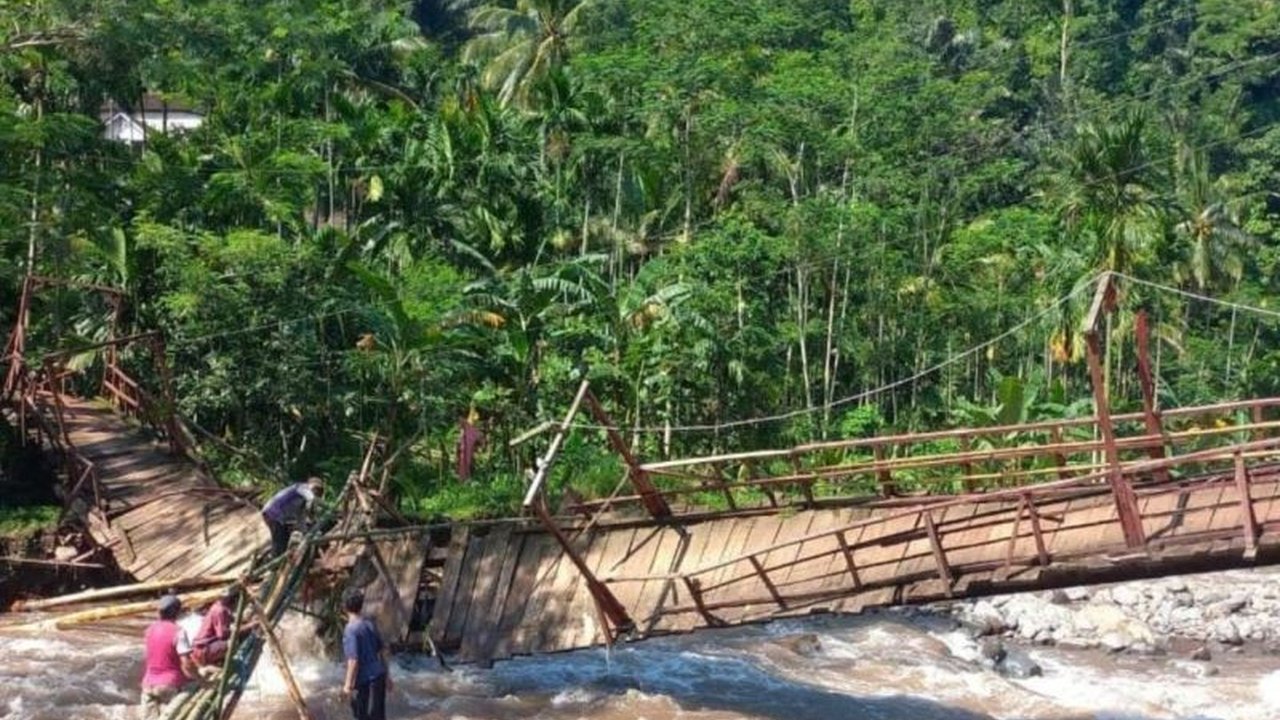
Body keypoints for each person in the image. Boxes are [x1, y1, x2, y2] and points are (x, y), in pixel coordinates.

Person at [141, 594, 199, 718]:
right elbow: (187, 664)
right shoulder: (178, 632)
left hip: (148, 684)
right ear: (177, 613)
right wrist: (201, 680)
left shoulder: (149, 630)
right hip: (169, 684)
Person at [342, 589, 392, 720]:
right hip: (379, 676)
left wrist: (347, 686)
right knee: (379, 716)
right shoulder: (369, 623)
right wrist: (388, 676)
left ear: (345, 607)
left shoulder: (350, 630)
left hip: (365, 681)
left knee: (361, 715)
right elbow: (382, 651)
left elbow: (353, 661)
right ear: (361, 605)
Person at [262, 476, 323, 557]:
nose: (316, 492)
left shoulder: (302, 502)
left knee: (284, 539)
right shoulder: (302, 487)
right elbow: (310, 498)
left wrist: (306, 532)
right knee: (280, 541)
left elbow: (300, 518)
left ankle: (272, 557)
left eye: (318, 491)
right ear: (310, 485)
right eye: (316, 489)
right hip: (274, 513)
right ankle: (272, 560)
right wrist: (313, 505)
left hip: (277, 516)